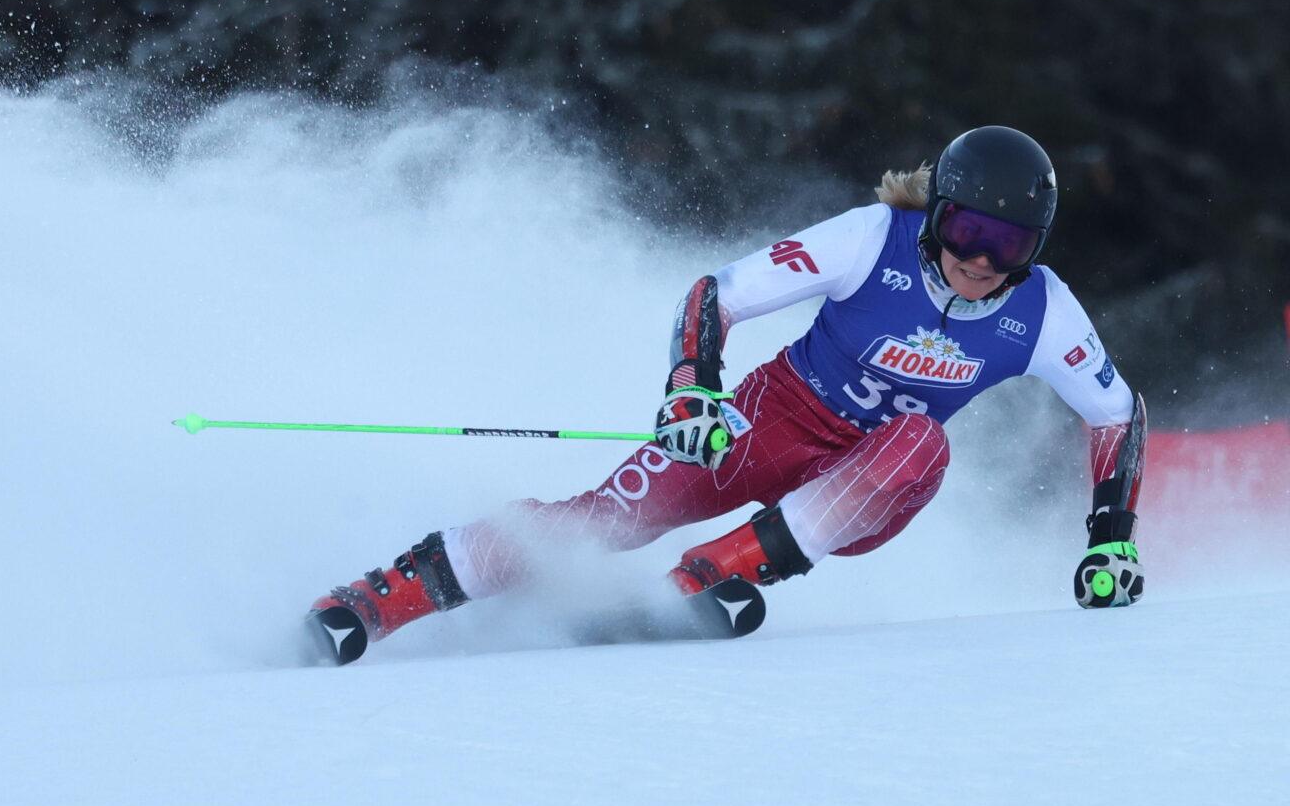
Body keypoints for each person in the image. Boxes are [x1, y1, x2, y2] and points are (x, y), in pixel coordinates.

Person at [306, 126, 1147, 665]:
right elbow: (718, 293)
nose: (984, 261)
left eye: (1010, 245)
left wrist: (1111, 540)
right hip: (771, 418)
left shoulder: (1044, 312)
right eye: (969, 231)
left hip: (869, 479)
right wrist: (693, 392)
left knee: (923, 438)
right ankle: (382, 598)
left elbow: (1116, 414)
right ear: (938, 217)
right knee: (603, 519)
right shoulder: (869, 238)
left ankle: (710, 576)